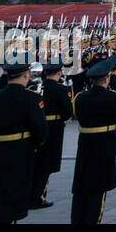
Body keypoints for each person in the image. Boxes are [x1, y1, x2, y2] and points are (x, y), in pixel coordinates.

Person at [0, 57, 48, 225]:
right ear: (26, 76)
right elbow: (40, 131)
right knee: (11, 199)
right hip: (19, 153)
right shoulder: (32, 98)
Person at [69, 57, 116, 224]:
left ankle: (77, 219)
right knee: (99, 186)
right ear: (107, 79)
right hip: (104, 144)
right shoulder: (112, 97)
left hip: (85, 144)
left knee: (82, 186)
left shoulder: (80, 98)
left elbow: (75, 113)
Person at [30, 58, 73, 210]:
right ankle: (38, 196)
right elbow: (68, 112)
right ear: (59, 73)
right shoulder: (61, 89)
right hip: (54, 127)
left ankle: (31, 193)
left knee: (36, 161)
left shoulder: (34, 87)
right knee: (47, 164)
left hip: (36, 125)